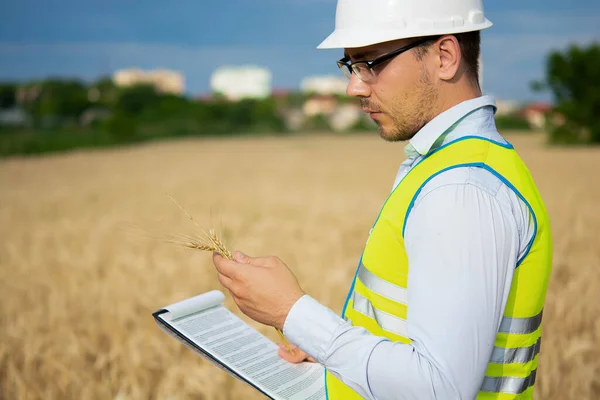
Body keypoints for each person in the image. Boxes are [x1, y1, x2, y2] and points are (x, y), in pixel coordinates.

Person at [212, 0, 553, 398]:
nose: (354, 86)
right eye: (351, 65)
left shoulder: (460, 188)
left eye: (371, 62)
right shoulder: (452, 166)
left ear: (444, 56)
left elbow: (437, 388)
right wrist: (329, 351)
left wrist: (292, 313)